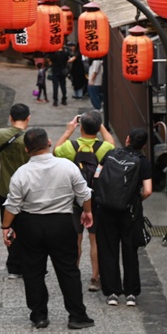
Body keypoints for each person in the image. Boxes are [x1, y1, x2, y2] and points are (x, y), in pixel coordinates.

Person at [1, 128, 96, 330]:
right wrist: (87, 212)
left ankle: (39, 316)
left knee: (33, 271)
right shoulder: (67, 166)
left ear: (27, 150)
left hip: (30, 224)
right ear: (49, 143)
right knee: (68, 270)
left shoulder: (21, 173)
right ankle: (77, 315)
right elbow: (84, 193)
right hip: (61, 223)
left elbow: (12, 205)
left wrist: (6, 226)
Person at [54, 111, 115, 292]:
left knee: (76, 240)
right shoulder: (103, 147)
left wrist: (68, 131)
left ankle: (73, 275)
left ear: (80, 127)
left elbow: (55, 151)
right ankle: (95, 278)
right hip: (95, 200)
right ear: (97, 128)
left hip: (74, 201)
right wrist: (100, 124)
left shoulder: (71, 147)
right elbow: (112, 143)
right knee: (95, 240)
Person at [95, 127, 153, 307]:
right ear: (144, 144)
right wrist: (136, 199)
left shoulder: (110, 154)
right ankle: (131, 293)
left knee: (107, 249)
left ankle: (112, 292)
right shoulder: (143, 162)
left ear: (127, 139)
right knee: (130, 250)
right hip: (130, 212)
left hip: (106, 210)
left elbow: (96, 177)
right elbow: (148, 190)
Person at [0, 103, 31, 279]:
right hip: (28, 190)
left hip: (6, 188)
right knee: (27, 227)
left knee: (8, 226)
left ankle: (14, 266)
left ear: (10, 118)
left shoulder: (0, 135)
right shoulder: (31, 138)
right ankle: (28, 265)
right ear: (28, 118)